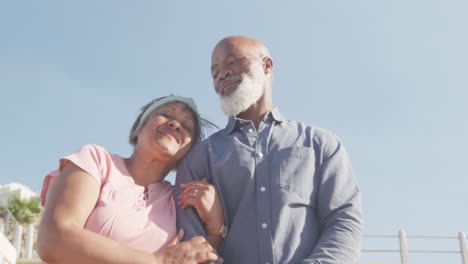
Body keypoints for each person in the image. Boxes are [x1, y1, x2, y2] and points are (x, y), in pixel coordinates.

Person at [175, 36, 363, 264]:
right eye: (214, 72)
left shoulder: (321, 144)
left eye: (231, 63)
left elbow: (343, 220)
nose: (221, 74)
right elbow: (191, 242)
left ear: (267, 66)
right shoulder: (199, 158)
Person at [37, 95, 225, 264]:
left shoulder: (179, 199)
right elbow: (53, 239)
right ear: (138, 129)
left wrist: (215, 228)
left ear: (187, 153)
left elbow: (191, 257)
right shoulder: (97, 161)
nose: (175, 124)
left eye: (187, 126)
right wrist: (155, 261)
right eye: (166, 114)